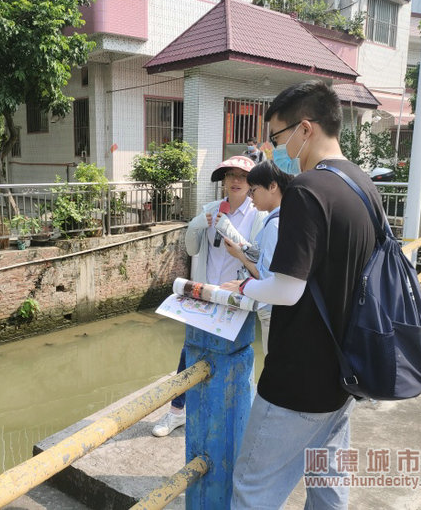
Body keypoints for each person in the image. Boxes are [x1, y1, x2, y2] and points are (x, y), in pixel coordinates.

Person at [221, 80, 385, 509]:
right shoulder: (363, 186)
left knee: (252, 489)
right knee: (327, 481)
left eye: (277, 136)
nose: (276, 148)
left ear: (305, 128)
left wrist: (242, 286)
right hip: (344, 374)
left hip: (299, 381)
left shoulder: (307, 190)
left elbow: (288, 289)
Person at [151, 156, 267, 437]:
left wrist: (228, 229)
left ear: (251, 184)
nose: (236, 181)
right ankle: (177, 412)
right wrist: (195, 226)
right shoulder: (211, 210)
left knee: (240, 353)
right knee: (190, 350)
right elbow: (191, 249)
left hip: (239, 296)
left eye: (242, 176)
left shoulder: (260, 216)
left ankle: (244, 414)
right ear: (224, 182)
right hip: (205, 295)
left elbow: (258, 259)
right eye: (230, 176)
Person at [223, 161, 293, 355]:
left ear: (272, 186)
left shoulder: (274, 224)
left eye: (253, 190)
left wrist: (240, 257)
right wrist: (246, 249)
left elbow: (267, 278)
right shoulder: (289, 216)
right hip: (283, 312)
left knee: (273, 365)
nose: (250, 196)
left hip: (272, 312)